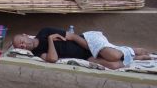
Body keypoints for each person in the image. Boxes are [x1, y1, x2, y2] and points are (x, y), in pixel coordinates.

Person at [12, 27, 151, 70]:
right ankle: (134, 57)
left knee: (113, 55)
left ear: (25, 36)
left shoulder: (44, 31)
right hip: (84, 56)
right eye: (21, 46)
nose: (23, 45)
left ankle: (131, 50)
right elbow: (53, 59)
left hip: (87, 41)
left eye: (22, 41)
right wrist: (50, 41)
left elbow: (72, 37)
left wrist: (93, 48)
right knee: (113, 65)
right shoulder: (37, 52)